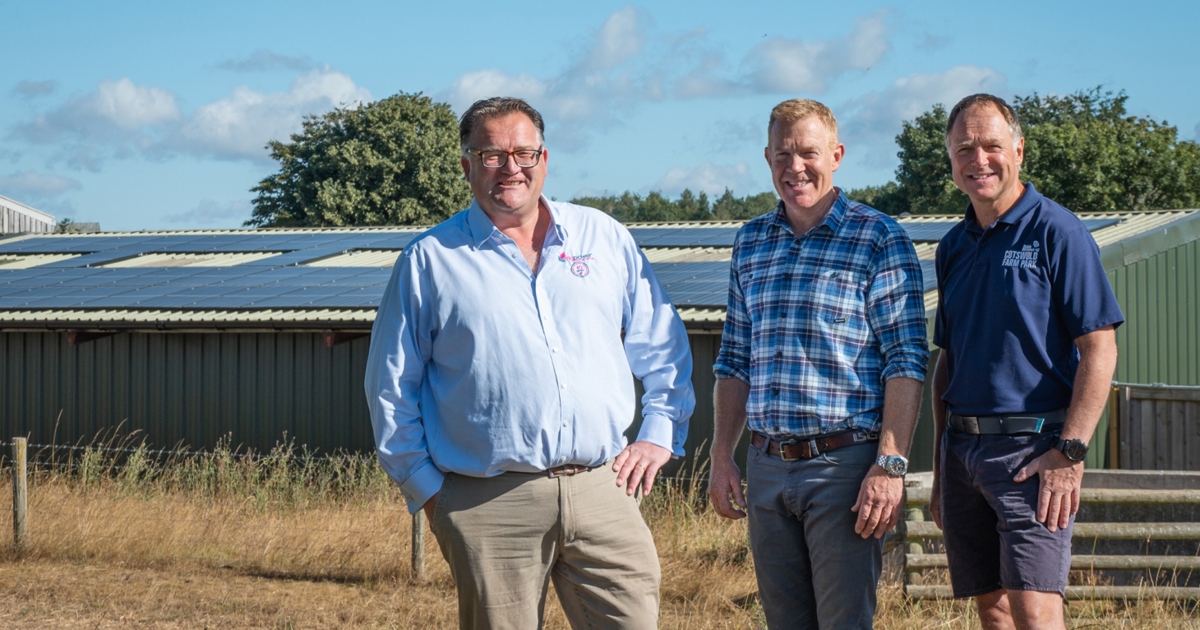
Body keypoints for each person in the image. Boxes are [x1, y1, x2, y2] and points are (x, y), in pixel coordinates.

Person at [364, 96, 695, 630]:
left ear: (545, 158)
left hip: (603, 488)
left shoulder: (602, 237)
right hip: (487, 502)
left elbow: (663, 344)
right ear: (466, 165)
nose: (510, 167)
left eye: (524, 152)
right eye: (492, 154)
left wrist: (659, 432)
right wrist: (429, 492)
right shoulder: (430, 259)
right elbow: (391, 387)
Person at [708, 98, 929, 629]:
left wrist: (890, 464)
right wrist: (721, 454)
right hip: (765, 467)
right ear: (767, 157)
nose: (795, 166)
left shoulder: (878, 238)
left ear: (837, 154)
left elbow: (906, 360)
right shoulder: (751, 242)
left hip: (844, 468)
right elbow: (735, 358)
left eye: (808, 152)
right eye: (783, 154)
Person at [930, 93, 1123, 630]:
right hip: (963, 451)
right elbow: (948, 360)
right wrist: (944, 463)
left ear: (1019, 149)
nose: (979, 159)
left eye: (992, 145)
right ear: (950, 161)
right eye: (964, 148)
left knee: (1035, 610)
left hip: (1032, 453)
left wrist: (1071, 451)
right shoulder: (953, 247)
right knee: (991, 607)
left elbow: (1099, 348)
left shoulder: (1058, 233)